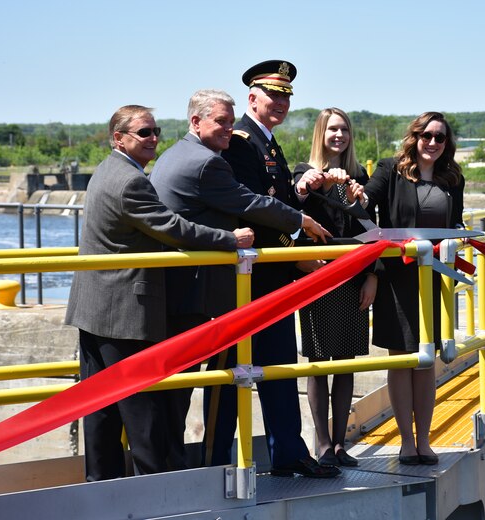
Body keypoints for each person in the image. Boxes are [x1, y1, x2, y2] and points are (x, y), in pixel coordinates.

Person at [65, 105, 254, 481]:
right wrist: (229, 239)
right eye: (144, 132)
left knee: (100, 413)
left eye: (156, 131)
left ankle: (101, 491)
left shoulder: (106, 169)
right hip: (123, 315)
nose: (153, 139)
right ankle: (157, 493)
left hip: (93, 309)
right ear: (119, 138)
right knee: (143, 414)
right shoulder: (131, 181)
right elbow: (171, 227)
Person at [149, 89, 330, 470]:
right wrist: (300, 225)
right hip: (212, 293)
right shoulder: (210, 161)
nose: (228, 130)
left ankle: (186, 466)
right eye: (220, 122)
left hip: (196, 288)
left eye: (230, 123)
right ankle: (211, 466)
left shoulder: (181, 153)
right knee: (222, 383)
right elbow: (249, 203)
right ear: (195, 122)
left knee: (204, 385)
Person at [209, 60, 341, 478]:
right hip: (248, 280)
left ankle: (288, 452)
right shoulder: (242, 142)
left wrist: (302, 192)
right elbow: (252, 210)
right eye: (273, 95)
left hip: (273, 277)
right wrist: (297, 252)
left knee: (280, 368)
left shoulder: (267, 143)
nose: (280, 102)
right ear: (252, 97)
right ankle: (214, 464)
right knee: (233, 377)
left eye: (285, 96)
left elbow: (279, 202)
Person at [364, 111, 464, 466]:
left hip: (434, 279)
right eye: (427, 136)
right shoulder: (391, 169)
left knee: (426, 362)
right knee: (402, 359)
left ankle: (425, 439)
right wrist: (373, 269)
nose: (433, 143)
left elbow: (456, 222)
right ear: (415, 136)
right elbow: (365, 207)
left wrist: (461, 239)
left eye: (440, 138)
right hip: (397, 279)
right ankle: (406, 441)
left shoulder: (451, 177)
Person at [293, 108, 374, 468]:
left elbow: (373, 229)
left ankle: (341, 443)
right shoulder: (303, 173)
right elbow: (292, 216)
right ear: (320, 134)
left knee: (346, 363)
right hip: (319, 279)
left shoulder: (359, 177)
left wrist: (374, 275)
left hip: (355, 278)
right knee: (318, 364)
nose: (339, 135)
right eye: (332, 129)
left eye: (344, 129)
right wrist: (317, 185)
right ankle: (322, 444)